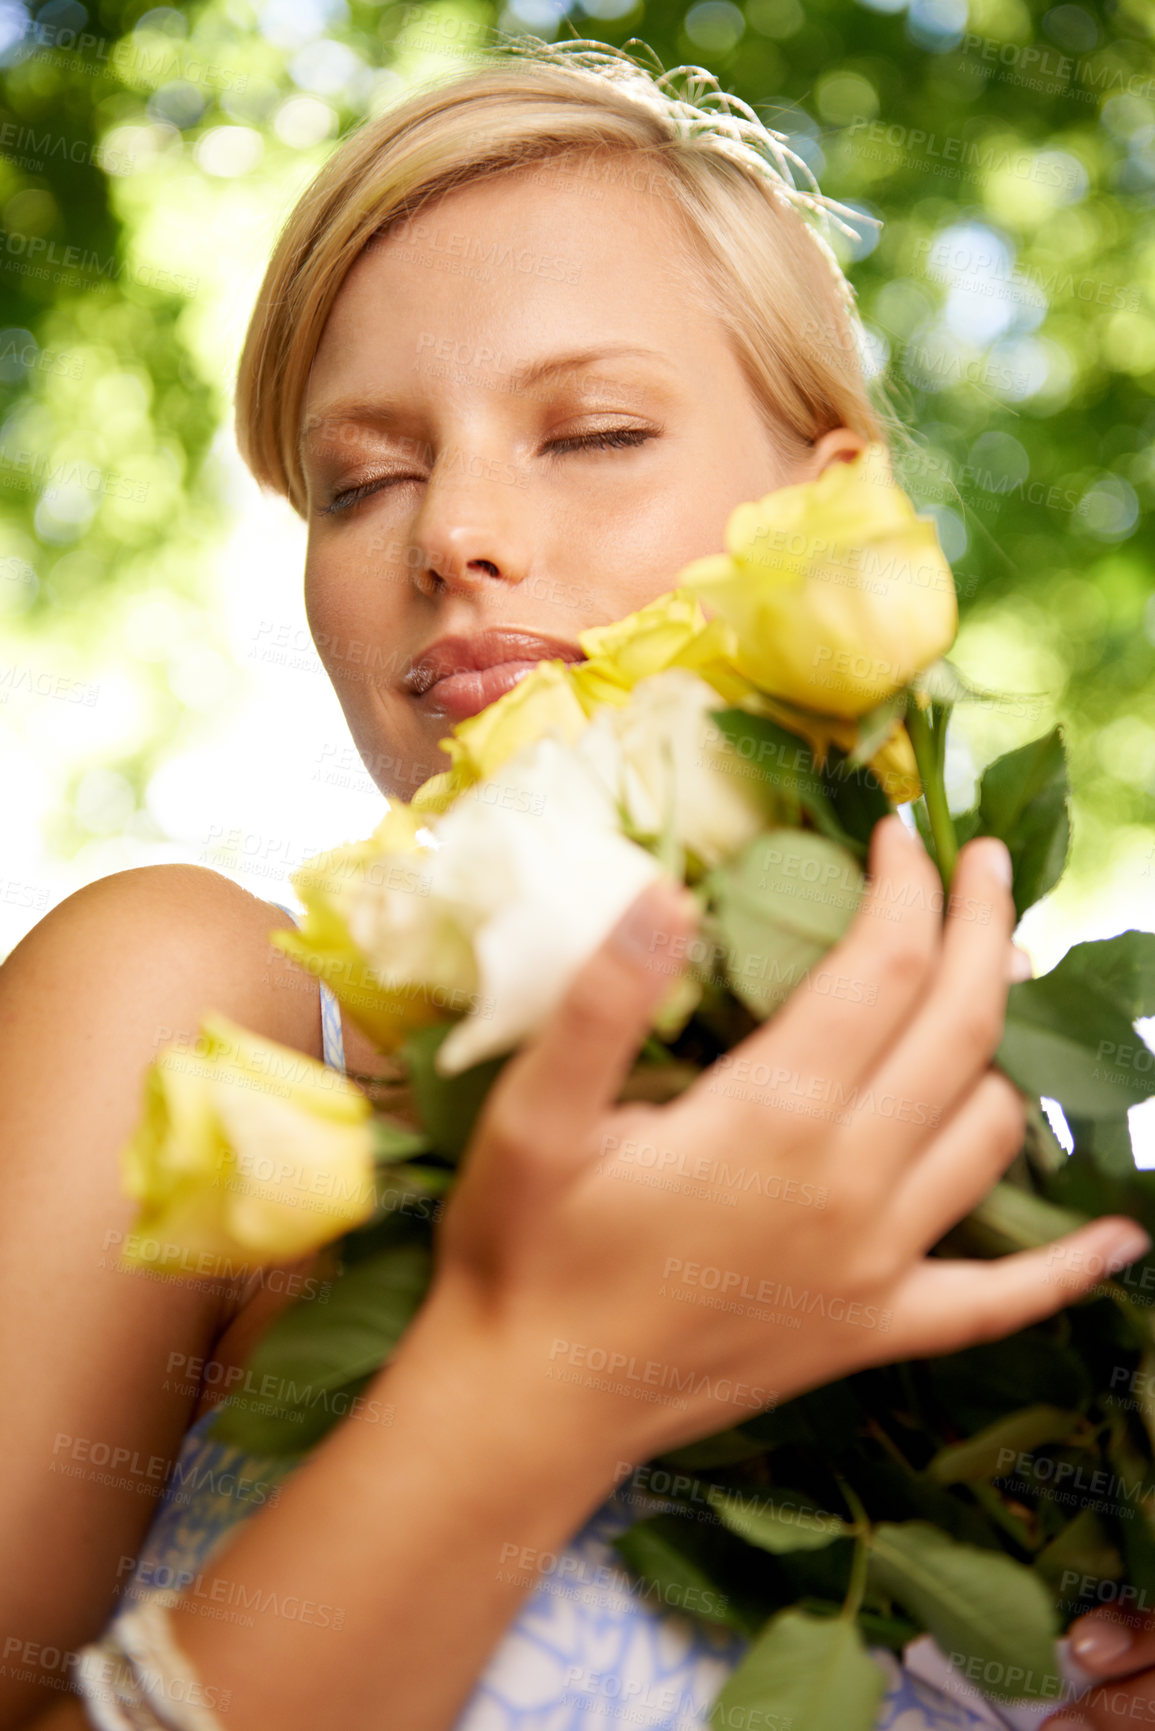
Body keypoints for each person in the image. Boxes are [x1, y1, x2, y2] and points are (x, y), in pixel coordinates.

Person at [0, 37, 1149, 1731]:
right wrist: (526, 1384)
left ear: (834, 503)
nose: (449, 530)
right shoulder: (209, 1030)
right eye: (360, 479)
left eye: (593, 430)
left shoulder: (1058, 1247)